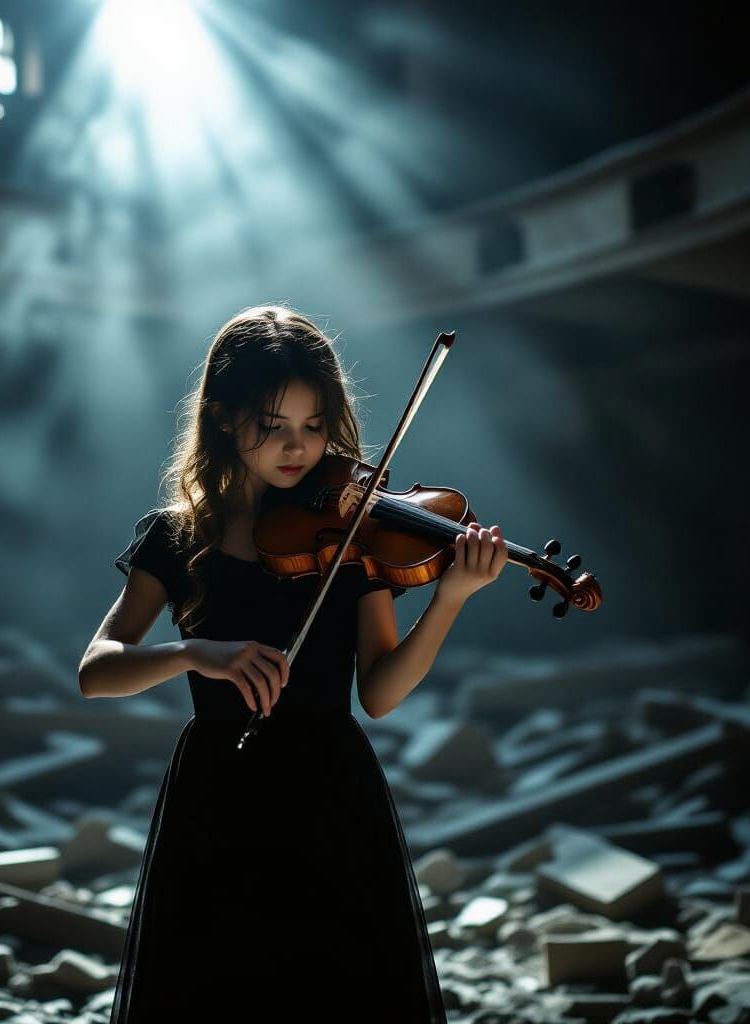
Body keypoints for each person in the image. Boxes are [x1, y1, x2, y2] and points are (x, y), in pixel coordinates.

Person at [78, 304, 507, 1023]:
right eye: (271, 425)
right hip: (218, 796)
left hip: (331, 796)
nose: (296, 447)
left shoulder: (353, 528)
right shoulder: (180, 537)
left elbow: (381, 691)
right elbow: (98, 670)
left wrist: (451, 598)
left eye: (313, 427)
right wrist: (192, 651)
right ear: (221, 417)